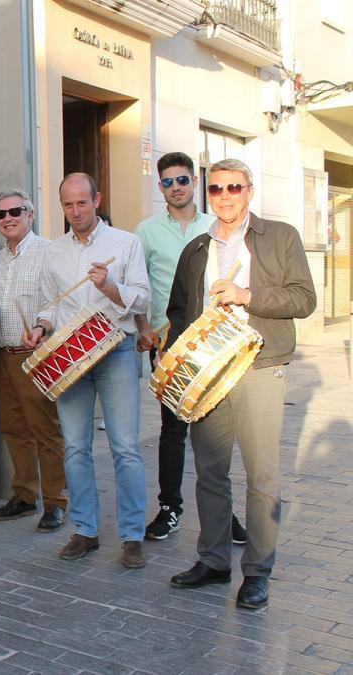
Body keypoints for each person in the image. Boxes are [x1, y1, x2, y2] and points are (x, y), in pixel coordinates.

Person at [167, 159, 316, 610]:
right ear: (206, 193)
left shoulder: (281, 236)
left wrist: (248, 296)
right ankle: (213, 561)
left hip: (259, 365)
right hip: (207, 374)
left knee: (262, 476)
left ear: (249, 190)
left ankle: (257, 572)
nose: (225, 195)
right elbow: (178, 310)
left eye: (234, 187)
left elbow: (305, 299)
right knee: (210, 473)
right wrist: (174, 356)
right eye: (216, 189)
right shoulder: (195, 248)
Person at [27, 173, 151, 569]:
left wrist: (111, 287)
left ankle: (133, 536)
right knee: (76, 447)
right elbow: (50, 303)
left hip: (116, 349)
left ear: (97, 200)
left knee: (125, 447)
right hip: (68, 353)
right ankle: (85, 530)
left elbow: (143, 299)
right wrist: (42, 326)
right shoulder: (54, 250)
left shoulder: (126, 243)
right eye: (68, 205)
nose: (75, 211)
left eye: (82, 203)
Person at [134, 154, 249, 545]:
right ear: (160, 187)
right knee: (172, 430)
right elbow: (140, 288)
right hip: (169, 344)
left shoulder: (215, 224)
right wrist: (144, 328)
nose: (176, 187)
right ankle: (170, 507)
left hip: (215, 344)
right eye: (167, 182)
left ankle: (223, 511)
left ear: (194, 182)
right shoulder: (146, 232)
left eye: (182, 179)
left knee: (215, 433)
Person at [0, 190, 67, 532]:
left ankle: (55, 502)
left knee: (46, 431)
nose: (8, 218)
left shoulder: (49, 252)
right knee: (14, 430)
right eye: (1, 214)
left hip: (36, 355)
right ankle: (23, 495)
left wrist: (41, 325)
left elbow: (59, 300)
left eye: (15, 211)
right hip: (4, 355)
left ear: (30, 214)